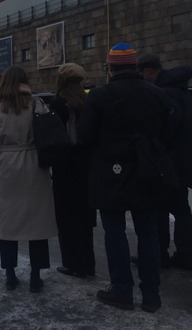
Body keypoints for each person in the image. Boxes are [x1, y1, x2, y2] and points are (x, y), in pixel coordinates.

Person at [78, 42, 173, 313]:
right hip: (147, 171)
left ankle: (122, 290)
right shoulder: (157, 94)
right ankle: (152, 295)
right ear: (135, 66)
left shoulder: (98, 96)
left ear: (110, 67)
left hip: (111, 173)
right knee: (149, 232)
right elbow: (165, 137)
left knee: (115, 231)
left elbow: (85, 136)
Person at [0, 66, 58, 293]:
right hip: (35, 164)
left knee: (8, 223)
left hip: (7, 166)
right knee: (37, 222)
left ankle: (10, 275)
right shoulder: (37, 105)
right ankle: (36, 277)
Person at [137, 52, 192, 270]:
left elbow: (165, 129)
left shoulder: (165, 93)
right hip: (184, 161)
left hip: (169, 163)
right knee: (181, 209)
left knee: (161, 210)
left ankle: (160, 254)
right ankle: (184, 254)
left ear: (148, 71)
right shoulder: (183, 92)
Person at [49, 63, 96, 278]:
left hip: (65, 165)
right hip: (86, 164)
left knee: (66, 216)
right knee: (85, 216)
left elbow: (53, 137)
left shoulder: (59, 103)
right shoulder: (87, 101)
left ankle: (73, 263)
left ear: (61, 81)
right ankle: (88, 262)